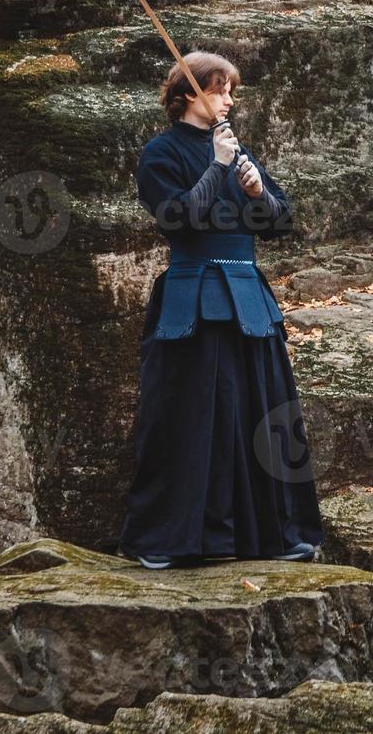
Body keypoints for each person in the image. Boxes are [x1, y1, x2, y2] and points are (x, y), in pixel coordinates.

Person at [118, 50, 325, 569]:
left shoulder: (238, 149)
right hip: (192, 298)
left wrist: (258, 191)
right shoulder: (159, 154)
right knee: (187, 416)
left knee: (262, 413)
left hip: (248, 298)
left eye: (232, 91)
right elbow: (179, 220)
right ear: (188, 93)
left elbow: (280, 223)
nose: (230, 100)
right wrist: (217, 166)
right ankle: (169, 540)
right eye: (219, 90)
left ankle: (274, 536)